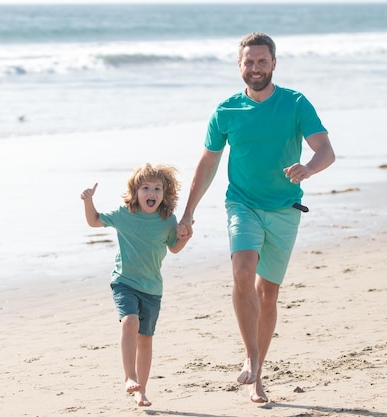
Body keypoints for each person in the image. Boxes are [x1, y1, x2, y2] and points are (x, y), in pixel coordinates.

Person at [177, 32, 335, 403]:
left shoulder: (295, 103)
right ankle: (250, 355)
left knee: (269, 294)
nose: (256, 68)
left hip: (285, 209)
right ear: (239, 66)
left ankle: (259, 373)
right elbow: (207, 163)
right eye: (249, 62)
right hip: (242, 204)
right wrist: (188, 213)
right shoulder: (226, 111)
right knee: (243, 270)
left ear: (274, 64)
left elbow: (325, 149)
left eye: (262, 61)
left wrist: (309, 168)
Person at [81, 163, 191, 407]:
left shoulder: (167, 219)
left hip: (152, 288)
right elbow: (94, 221)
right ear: (135, 191)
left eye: (157, 188)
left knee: (146, 339)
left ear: (165, 194)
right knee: (130, 322)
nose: (151, 193)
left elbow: (173, 247)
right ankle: (129, 376)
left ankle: (141, 390)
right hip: (125, 282)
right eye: (145, 188)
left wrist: (184, 237)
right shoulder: (125, 214)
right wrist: (88, 201)